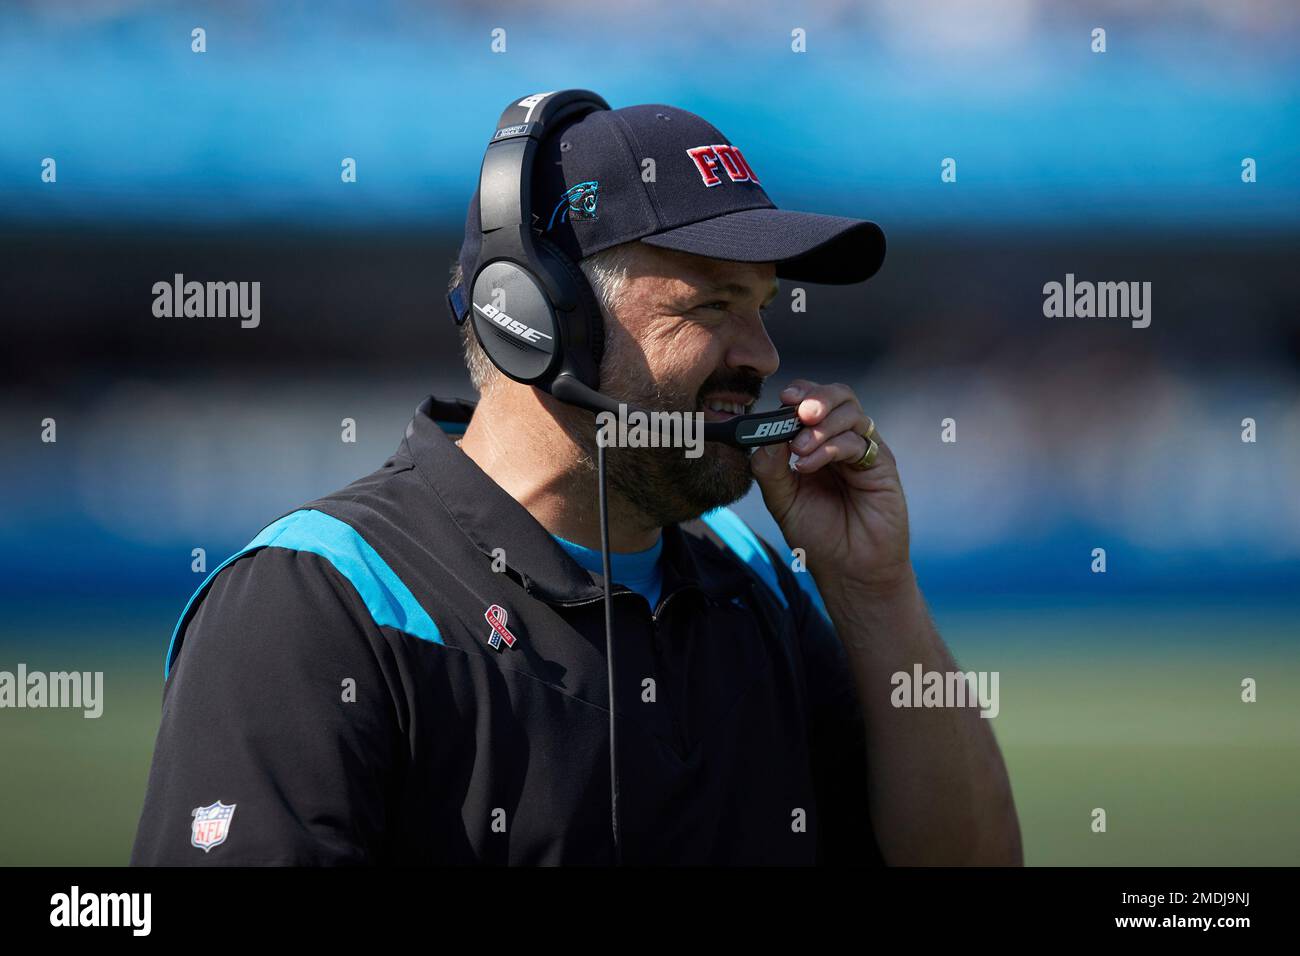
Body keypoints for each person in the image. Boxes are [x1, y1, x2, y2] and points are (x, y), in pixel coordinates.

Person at [131, 97, 1021, 866]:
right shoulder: (320, 601)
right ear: (534, 323)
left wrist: (874, 590)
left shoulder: (764, 586)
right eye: (713, 304)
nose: (765, 357)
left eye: (763, 307)